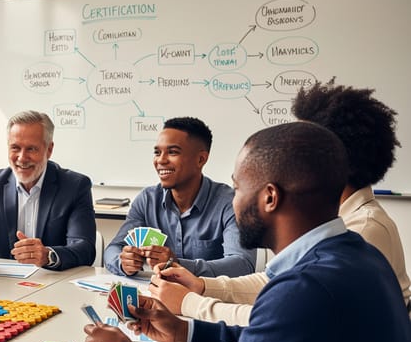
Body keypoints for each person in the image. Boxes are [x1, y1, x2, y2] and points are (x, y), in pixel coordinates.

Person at [84, 121, 411, 342]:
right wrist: (184, 330)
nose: (233, 199)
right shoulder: (360, 255)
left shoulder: (306, 289)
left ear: (270, 197)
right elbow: (277, 340)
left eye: (239, 187)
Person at [151, 82, 411, 324]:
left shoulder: (363, 231)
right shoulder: (330, 221)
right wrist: (204, 286)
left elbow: (283, 318)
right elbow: (278, 281)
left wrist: (190, 304)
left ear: (331, 157)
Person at [104, 117, 256, 277]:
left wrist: (179, 266)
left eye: (172, 152)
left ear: (201, 159)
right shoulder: (147, 200)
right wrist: (123, 262)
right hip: (156, 296)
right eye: (157, 152)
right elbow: (113, 249)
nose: (160, 160)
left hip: (210, 298)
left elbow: (242, 264)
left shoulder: (231, 203)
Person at [0, 110, 96, 270]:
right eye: (15, 148)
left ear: (49, 149)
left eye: (31, 149)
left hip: (54, 283)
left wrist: (48, 255)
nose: (21, 157)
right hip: (5, 286)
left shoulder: (75, 186)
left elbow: (85, 249)